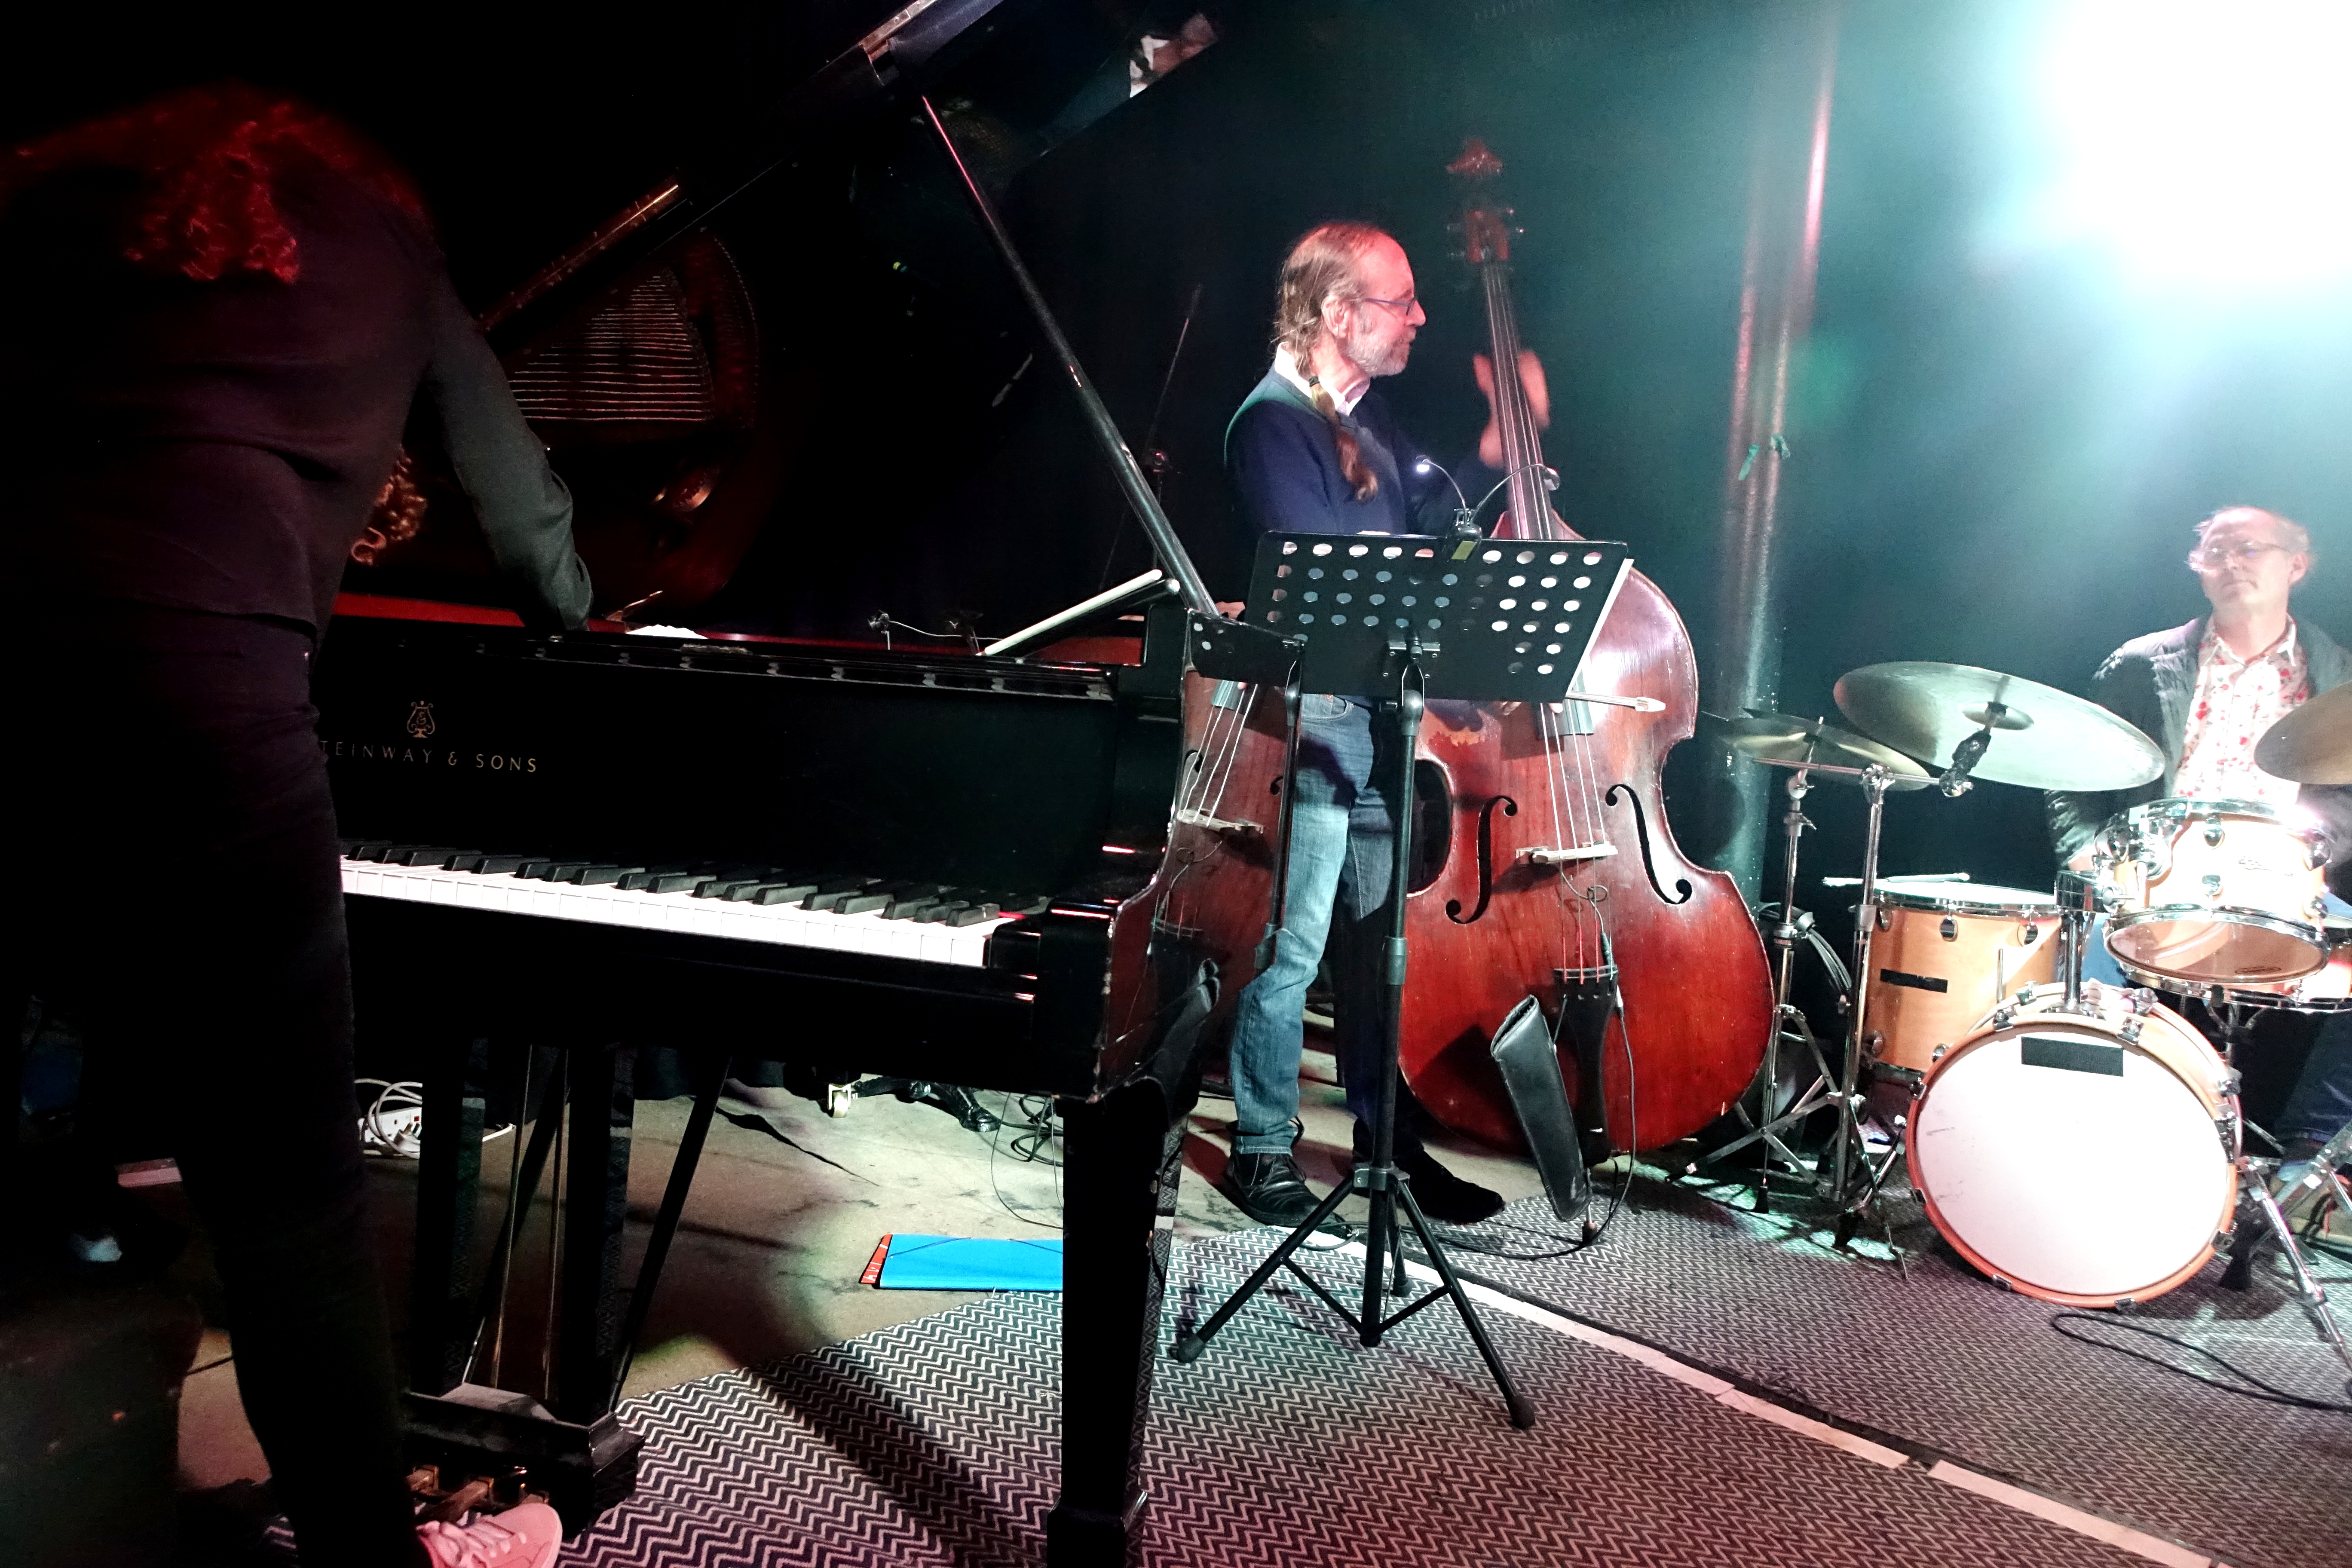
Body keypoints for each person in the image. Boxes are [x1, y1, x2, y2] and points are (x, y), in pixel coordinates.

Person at [0, 84, 589, 1568]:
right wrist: (582, 612)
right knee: (290, 1203)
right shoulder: (390, 249)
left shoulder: (48, 210)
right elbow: (524, 530)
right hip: (198, 716)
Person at [1217, 220, 1545, 1227]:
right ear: (1337, 312)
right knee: (1296, 946)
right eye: (1401, 303)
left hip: (1377, 720)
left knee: (1379, 952)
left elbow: (1430, 520)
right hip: (1316, 723)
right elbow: (1334, 581)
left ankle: (1388, 1149)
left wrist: (1506, 446)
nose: (1420, 319)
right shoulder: (1275, 422)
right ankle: (1262, 1147)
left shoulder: (1370, 421)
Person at [2046, 505, 2352, 1176]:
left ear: (2296, 565)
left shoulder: (2339, 678)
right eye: (2215, 551)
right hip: (2156, 874)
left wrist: (2313, 858)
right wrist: (2089, 854)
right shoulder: (2139, 665)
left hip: (2281, 882)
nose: (2231, 563)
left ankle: (2310, 1158)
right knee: (2080, 947)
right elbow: (2075, 774)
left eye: (2249, 549)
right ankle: (2081, 1133)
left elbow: (2347, 801)